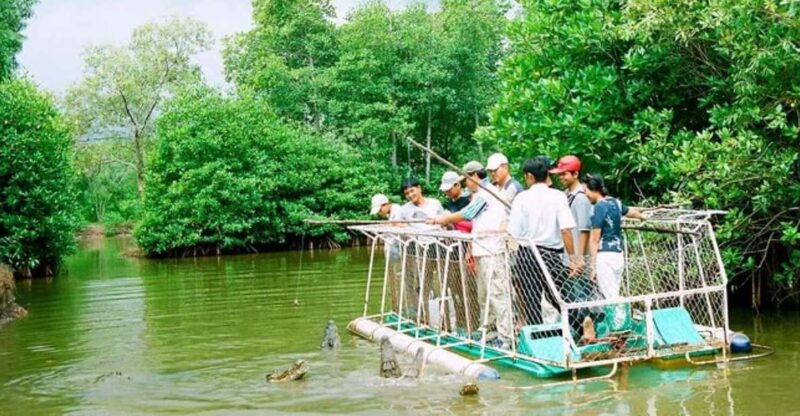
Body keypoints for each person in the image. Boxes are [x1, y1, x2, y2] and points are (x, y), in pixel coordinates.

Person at [428, 171, 514, 349]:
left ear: (475, 177)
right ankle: (490, 332)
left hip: (492, 251)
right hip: (481, 250)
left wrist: (440, 219)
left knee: (497, 295)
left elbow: (468, 214)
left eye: (466, 180)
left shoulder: (487, 193)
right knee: (484, 295)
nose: (466, 184)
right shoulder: (479, 195)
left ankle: (507, 338)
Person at [507, 156, 579, 327]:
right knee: (560, 295)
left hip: (528, 254)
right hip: (552, 254)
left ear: (529, 176)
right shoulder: (559, 196)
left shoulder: (521, 198)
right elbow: (566, 230)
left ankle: (538, 339)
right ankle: (582, 324)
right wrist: (573, 258)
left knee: (532, 299)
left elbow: (514, 232)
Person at [583, 174, 647, 299]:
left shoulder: (598, 207)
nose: (585, 194)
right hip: (618, 255)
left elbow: (594, 240)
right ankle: (618, 317)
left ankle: (619, 318)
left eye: (585, 191)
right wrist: (642, 216)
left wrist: (593, 266)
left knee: (610, 297)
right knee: (614, 291)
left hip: (605, 256)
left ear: (592, 189)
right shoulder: (615, 203)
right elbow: (630, 212)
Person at [550, 155, 593, 263]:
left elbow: (585, 229)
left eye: (564, 174)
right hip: (568, 258)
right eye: (559, 174)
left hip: (579, 260)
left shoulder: (581, 197)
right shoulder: (565, 194)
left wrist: (579, 258)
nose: (561, 177)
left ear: (575, 174)